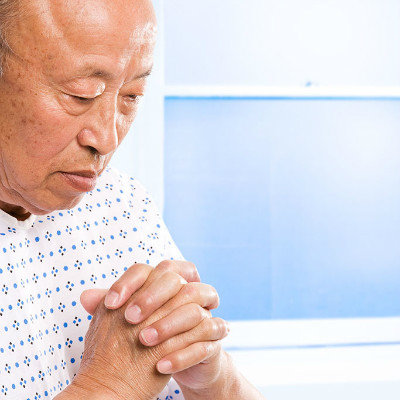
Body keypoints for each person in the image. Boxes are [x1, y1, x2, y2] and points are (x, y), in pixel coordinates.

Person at [0, 0, 265, 399]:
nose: (107, 139)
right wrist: (110, 386)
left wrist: (216, 382)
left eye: (131, 96)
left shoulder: (123, 203)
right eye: (81, 94)